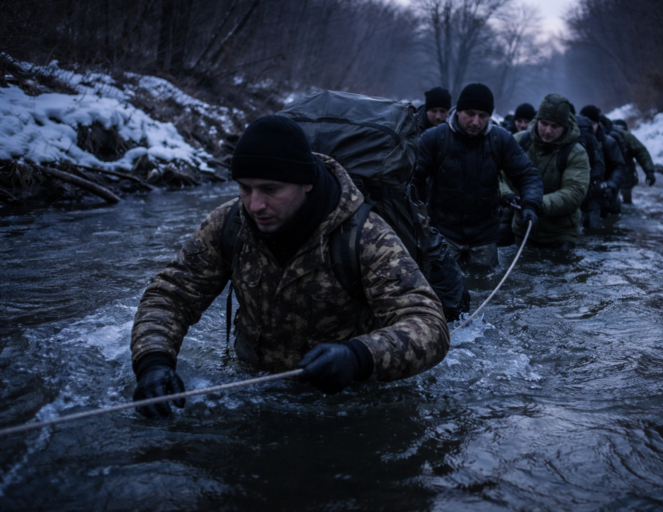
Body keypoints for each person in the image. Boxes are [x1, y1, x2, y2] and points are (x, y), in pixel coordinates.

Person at [131, 116, 450, 419]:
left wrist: (359, 357)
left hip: (346, 401)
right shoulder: (228, 225)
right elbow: (170, 296)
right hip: (253, 393)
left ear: (306, 183)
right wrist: (153, 362)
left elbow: (428, 323)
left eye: (270, 189)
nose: (255, 204)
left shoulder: (365, 236)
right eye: (245, 188)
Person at [413, 83, 543, 267]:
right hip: (443, 231)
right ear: (458, 111)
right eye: (470, 114)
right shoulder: (433, 138)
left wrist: (530, 204)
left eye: (482, 116)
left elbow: (527, 174)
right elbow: (411, 179)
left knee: (485, 284)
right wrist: (418, 218)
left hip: (485, 235)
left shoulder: (500, 140)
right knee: (441, 286)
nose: (476, 122)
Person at [506, 94, 590, 251]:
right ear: (537, 120)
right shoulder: (518, 142)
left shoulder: (576, 153)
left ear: (564, 127)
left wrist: (535, 204)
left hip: (560, 235)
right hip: (523, 229)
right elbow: (499, 176)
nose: (547, 130)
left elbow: (574, 193)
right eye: (544, 123)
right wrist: (507, 196)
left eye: (555, 126)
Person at [579, 105, 629, 217]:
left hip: (607, 192)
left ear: (598, 123)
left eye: (592, 123)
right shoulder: (576, 142)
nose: (589, 127)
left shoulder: (609, 142)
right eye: (585, 123)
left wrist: (611, 185)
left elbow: (620, 167)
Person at [613, 119, 656, 203]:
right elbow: (641, 153)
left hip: (611, 175)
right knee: (627, 201)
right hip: (626, 174)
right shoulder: (628, 136)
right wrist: (649, 171)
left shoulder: (606, 133)